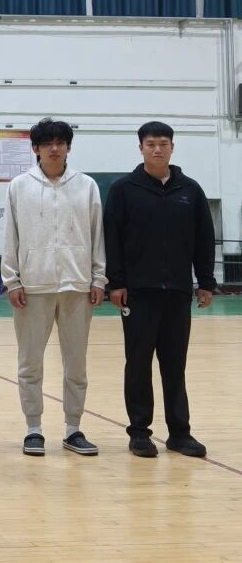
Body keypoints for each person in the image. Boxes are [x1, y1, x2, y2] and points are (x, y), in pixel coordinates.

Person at [105, 121, 216, 458]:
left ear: (172, 148)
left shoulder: (190, 190)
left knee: (174, 365)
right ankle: (139, 433)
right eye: (151, 143)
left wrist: (206, 282)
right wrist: (116, 283)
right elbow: (112, 238)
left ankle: (180, 433)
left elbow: (204, 239)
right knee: (138, 364)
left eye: (163, 143)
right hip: (138, 294)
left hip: (178, 293)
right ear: (140, 147)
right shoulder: (124, 190)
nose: (157, 149)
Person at [2, 118, 105, 457]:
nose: (54, 148)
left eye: (60, 142)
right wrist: (12, 280)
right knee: (29, 364)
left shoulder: (86, 186)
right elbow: (11, 236)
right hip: (32, 288)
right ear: (36, 148)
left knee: (76, 365)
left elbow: (97, 234)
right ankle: (33, 429)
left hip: (77, 287)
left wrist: (98, 278)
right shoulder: (19, 186)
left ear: (68, 147)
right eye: (47, 143)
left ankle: (73, 429)